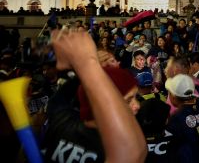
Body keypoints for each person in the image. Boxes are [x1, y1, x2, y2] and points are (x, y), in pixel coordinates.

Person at [42, 28, 146, 162]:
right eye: (128, 100)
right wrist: (88, 63)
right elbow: (133, 154)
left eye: (136, 97)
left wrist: (91, 65)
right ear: (103, 101)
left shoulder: (62, 119)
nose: (137, 106)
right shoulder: (115, 147)